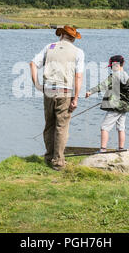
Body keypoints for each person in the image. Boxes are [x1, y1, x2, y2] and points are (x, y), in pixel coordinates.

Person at [30, 25, 84, 170]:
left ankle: (48, 157)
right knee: (61, 126)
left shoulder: (49, 47)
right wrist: (76, 98)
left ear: (61, 35)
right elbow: (78, 76)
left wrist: (37, 85)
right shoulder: (78, 52)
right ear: (73, 38)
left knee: (49, 125)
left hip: (48, 90)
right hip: (65, 92)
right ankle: (58, 161)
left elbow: (33, 64)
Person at [85, 55, 129, 152]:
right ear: (123, 63)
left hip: (115, 107)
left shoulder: (114, 76)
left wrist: (91, 91)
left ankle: (103, 149)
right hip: (124, 106)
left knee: (104, 127)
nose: (111, 68)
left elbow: (103, 85)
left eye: (111, 66)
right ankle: (121, 148)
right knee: (121, 127)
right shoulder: (127, 77)